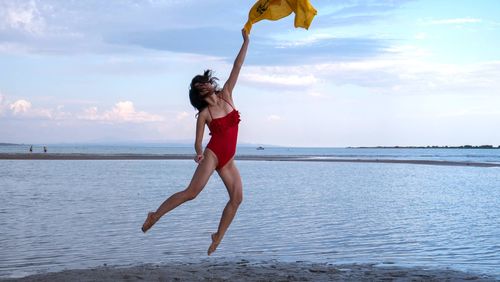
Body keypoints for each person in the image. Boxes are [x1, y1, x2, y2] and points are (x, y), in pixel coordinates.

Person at [141, 29, 250, 256]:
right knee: (191, 193)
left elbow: (237, 66)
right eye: (201, 85)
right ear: (199, 93)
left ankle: (218, 236)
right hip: (214, 155)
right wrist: (199, 153)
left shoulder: (227, 94)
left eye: (206, 82)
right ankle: (155, 215)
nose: (207, 85)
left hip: (229, 160)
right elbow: (198, 142)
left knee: (237, 198)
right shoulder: (204, 114)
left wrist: (246, 41)